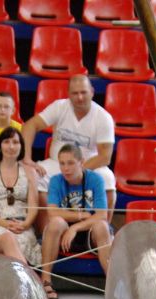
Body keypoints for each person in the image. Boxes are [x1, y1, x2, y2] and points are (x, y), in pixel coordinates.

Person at [21, 75, 115, 221]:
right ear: (68, 93)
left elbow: (105, 157)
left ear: (92, 91)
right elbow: (29, 126)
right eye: (75, 93)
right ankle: (46, 231)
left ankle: (103, 230)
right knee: (33, 176)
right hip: (57, 162)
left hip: (88, 165)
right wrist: (26, 157)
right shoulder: (59, 107)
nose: (79, 97)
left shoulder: (103, 117)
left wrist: (77, 171)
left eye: (83, 92)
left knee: (108, 179)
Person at [40, 144, 111, 299]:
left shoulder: (96, 179)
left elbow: (101, 215)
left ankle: (113, 285)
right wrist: (80, 216)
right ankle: (46, 281)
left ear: (82, 162)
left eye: (71, 163)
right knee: (55, 223)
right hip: (64, 232)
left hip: (89, 231)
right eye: (62, 163)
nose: (66, 168)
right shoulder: (56, 181)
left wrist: (76, 228)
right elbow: (52, 213)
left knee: (102, 227)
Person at [0, 127, 40, 266]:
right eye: (6, 141)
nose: (11, 146)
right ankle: (30, 281)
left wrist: (25, 224)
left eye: (16, 142)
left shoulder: (30, 172)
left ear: (21, 146)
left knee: (15, 241)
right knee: (8, 238)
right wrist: (3, 223)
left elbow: (33, 206)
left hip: (22, 226)